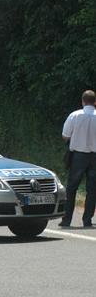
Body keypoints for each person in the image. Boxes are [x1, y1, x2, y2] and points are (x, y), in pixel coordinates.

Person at [61, 89, 96, 227]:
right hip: (94, 156)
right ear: (95, 102)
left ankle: (67, 219)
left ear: (82, 101)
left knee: (72, 187)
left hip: (78, 156)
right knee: (92, 189)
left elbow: (65, 136)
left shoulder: (74, 115)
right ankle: (87, 220)